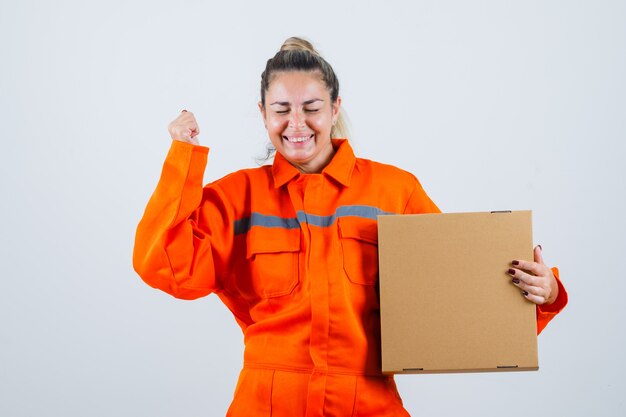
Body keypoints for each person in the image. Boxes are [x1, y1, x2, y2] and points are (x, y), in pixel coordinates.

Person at [133, 37, 568, 416]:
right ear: (262, 112)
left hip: (369, 401)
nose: (297, 124)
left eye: (312, 108)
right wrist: (183, 160)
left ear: (335, 107)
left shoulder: (393, 191)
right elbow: (165, 267)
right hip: (267, 402)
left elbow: (454, 298)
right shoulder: (238, 197)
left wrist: (543, 295)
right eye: (281, 109)